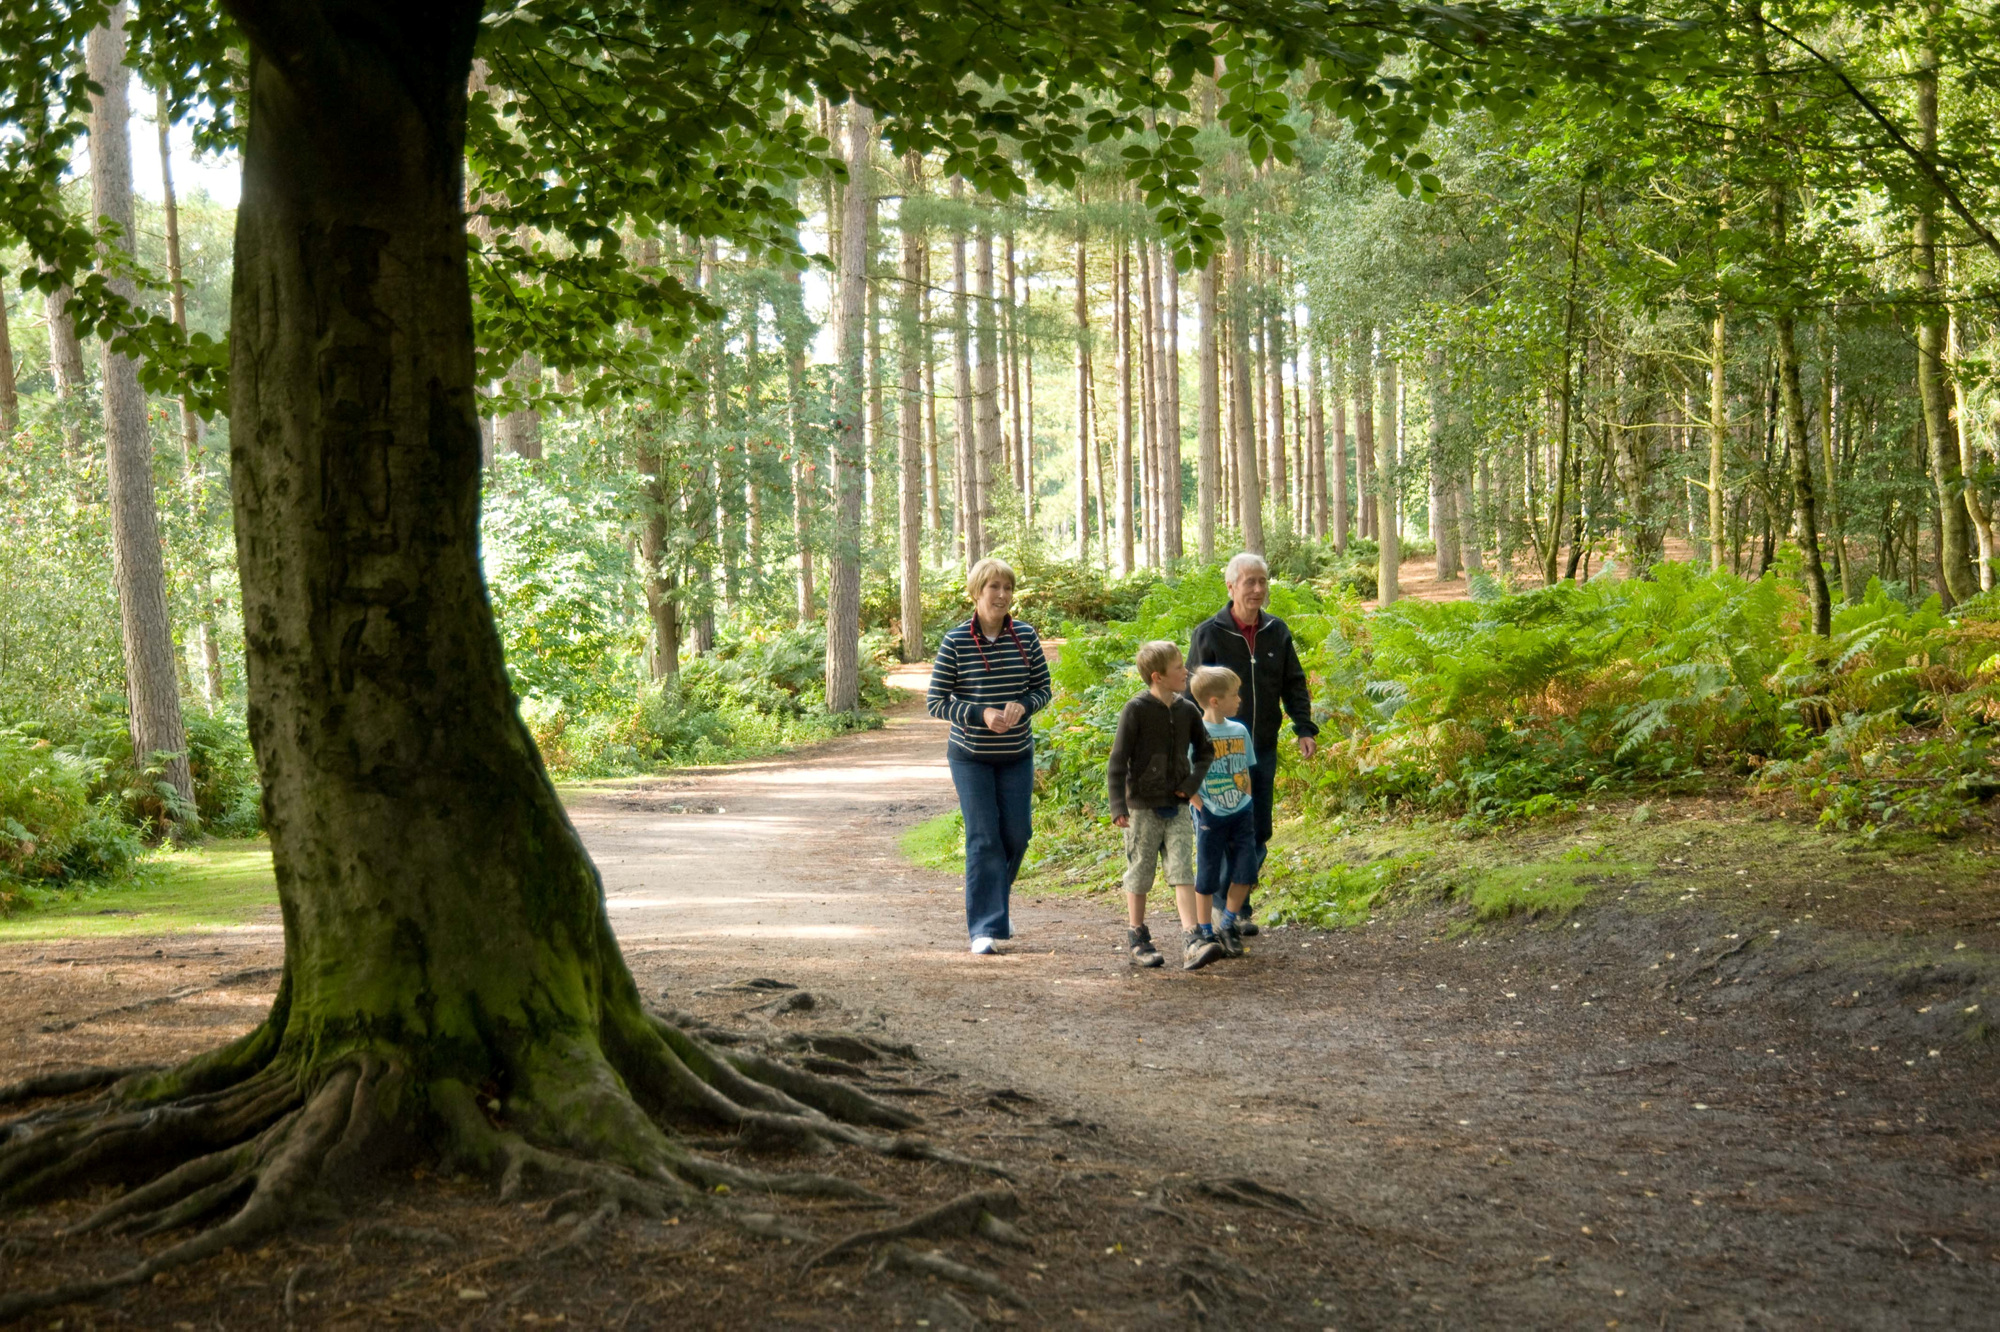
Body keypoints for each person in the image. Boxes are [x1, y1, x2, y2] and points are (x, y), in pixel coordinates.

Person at [1187, 552, 1319, 933]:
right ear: (1231, 587)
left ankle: (1234, 906)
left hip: (1260, 747)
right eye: (1250, 582)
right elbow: (1191, 695)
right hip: (1217, 753)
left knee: (1258, 830)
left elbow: (1294, 682)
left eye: (1263, 581)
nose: (1258, 589)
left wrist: (1304, 727)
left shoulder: (1277, 630)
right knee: (1219, 827)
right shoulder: (1209, 633)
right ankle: (1225, 911)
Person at [927, 558, 1052, 955]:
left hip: (1016, 753)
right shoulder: (956, 641)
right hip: (971, 756)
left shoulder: (1027, 637)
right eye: (993, 587)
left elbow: (1043, 689)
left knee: (1018, 835)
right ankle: (984, 928)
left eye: (1007, 588)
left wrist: (1022, 706)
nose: (1001, 595)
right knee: (984, 838)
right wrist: (979, 713)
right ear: (976, 592)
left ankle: (994, 899)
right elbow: (936, 702)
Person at [1106, 640, 1223, 971]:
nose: (1185, 671)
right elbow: (1117, 761)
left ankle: (1192, 939)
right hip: (1141, 808)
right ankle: (1138, 937)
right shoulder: (1136, 710)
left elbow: (1205, 752)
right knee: (1140, 872)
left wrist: (1190, 786)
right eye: (1177, 668)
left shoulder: (1187, 710)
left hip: (1178, 805)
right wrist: (1119, 806)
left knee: (1182, 869)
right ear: (1157, 676)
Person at [1189, 665, 1258, 958]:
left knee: (1246, 870)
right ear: (1215, 700)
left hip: (1241, 812)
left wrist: (1248, 800)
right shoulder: (1196, 734)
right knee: (1207, 875)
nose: (1239, 699)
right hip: (1210, 815)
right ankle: (1206, 930)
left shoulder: (1239, 730)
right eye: (1234, 694)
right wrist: (1202, 807)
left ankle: (1227, 923)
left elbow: (1246, 768)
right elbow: (1184, 776)